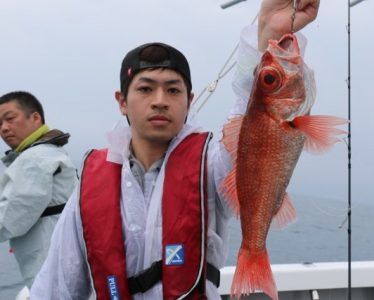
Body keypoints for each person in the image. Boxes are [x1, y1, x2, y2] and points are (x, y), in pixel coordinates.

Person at [30, 0, 320, 298]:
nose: (159, 100)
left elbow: (251, 120)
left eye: (173, 89)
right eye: (145, 88)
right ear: (121, 101)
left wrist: (266, 35)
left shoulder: (210, 165)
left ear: (189, 101)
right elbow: (55, 285)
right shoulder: (88, 188)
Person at [0, 91, 77, 288]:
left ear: (35, 118)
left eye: (10, 119)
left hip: (52, 274)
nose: (4, 128)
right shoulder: (50, 152)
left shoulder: (35, 159)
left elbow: (9, 219)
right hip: (66, 267)